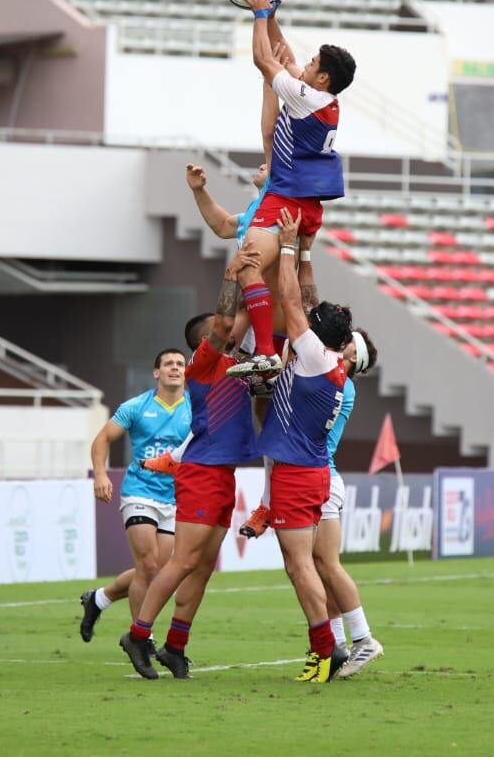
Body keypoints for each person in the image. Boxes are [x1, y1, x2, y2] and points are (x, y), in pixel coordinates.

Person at [120, 247, 262, 680]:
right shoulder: (204, 364)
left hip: (224, 474)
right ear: (207, 338)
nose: (236, 325)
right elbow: (224, 320)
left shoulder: (238, 363)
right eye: (227, 326)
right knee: (181, 562)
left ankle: (175, 646)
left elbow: (245, 318)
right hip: (201, 472)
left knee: (202, 567)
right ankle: (137, 635)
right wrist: (232, 276)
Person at [226, 0, 356, 381]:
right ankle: (266, 355)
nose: (304, 64)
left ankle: (265, 353)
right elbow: (288, 57)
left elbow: (264, 60)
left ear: (323, 78)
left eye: (313, 63)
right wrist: (275, 15)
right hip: (298, 199)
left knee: (245, 265)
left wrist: (260, 14)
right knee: (246, 269)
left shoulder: (307, 99)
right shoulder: (320, 96)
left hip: (287, 199)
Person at [253, 206, 355, 683]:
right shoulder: (328, 358)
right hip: (308, 470)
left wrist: (290, 246)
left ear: (319, 334)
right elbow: (304, 306)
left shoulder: (313, 354)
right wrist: (305, 254)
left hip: (297, 472)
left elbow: (293, 303)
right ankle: (324, 647)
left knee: (299, 566)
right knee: (305, 564)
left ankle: (325, 648)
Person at [79, 348, 192, 641]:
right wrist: (101, 474)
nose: (175, 368)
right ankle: (143, 639)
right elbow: (102, 439)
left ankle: (99, 599)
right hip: (139, 491)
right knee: (148, 564)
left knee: (157, 570)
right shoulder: (137, 406)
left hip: (174, 497)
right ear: (157, 372)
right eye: (168, 363)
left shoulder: (195, 407)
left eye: (180, 364)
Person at [314, 330, 384, 678]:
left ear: (354, 359)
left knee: (328, 564)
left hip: (322, 478)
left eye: (349, 346)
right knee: (318, 566)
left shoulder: (344, 386)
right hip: (315, 476)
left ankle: (364, 638)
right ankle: (339, 644)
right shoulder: (334, 376)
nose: (341, 345)